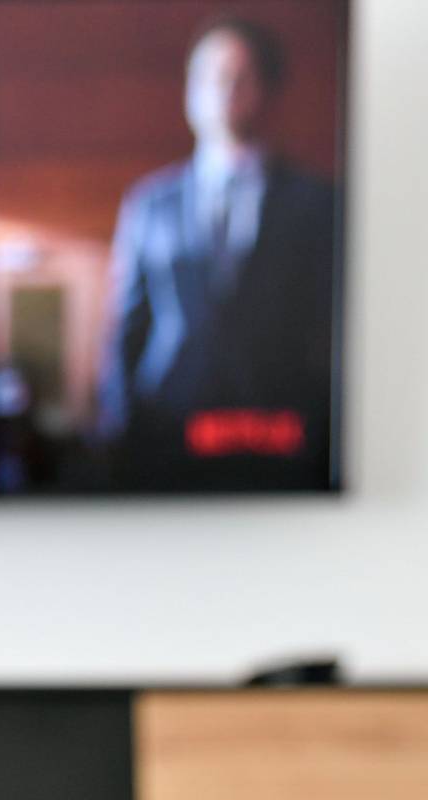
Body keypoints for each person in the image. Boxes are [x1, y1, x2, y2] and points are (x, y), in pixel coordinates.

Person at [97, 17, 338, 490]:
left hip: (277, 440)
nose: (221, 90)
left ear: (265, 89)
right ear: (189, 90)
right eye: (207, 76)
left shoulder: (316, 204)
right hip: (166, 433)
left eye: (237, 77)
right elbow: (125, 330)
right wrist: (120, 437)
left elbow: (330, 331)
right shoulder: (150, 203)